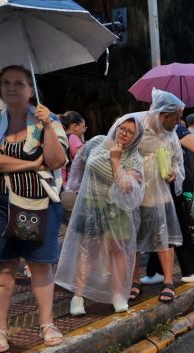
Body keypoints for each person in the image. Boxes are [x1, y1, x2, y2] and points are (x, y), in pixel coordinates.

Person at [0, 65, 68, 351]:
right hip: (1, 205)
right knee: (3, 268)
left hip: (40, 204)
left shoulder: (49, 119)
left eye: (18, 83)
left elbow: (57, 160)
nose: (11, 88)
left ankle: (47, 323)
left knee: (40, 267)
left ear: (30, 89)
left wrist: (47, 125)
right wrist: (32, 164)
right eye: (5, 82)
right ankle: (0, 329)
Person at [55, 113, 145, 315]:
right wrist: (74, 186)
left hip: (117, 210)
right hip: (92, 205)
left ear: (136, 137)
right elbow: (79, 162)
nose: (124, 133)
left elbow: (124, 186)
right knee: (88, 250)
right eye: (123, 128)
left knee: (118, 251)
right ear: (116, 125)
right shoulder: (97, 142)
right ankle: (78, 296)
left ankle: (117, 294)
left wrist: (115, 160)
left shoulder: (133, 158)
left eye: (131, 132)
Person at [131, 89, 186, 304]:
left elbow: (178, 162)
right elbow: (120, 150)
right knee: (132, 240)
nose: (178, 122)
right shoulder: (137, 125)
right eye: (177, 117)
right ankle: (134, 281)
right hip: (136, 194)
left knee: (163, 237)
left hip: (160, 196)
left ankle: (169, 282)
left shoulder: (171, 135)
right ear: (165, 115)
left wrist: (175, 172)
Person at [142, 114, 194, 285]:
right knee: (160, 224)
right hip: (162, 185)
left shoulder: (178, 129)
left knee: (177, 225)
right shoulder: (159, 130)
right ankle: (155, 270)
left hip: (178, 184)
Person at [60, 111, 86, 189]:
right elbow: (84, 160)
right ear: (75, 127)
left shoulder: (59, 137)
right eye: (83, 127)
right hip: (68, 187)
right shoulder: (73, 138)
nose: (84, 130)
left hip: (58, 185)